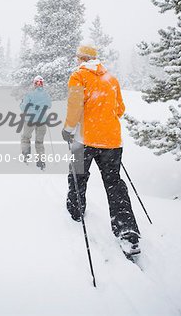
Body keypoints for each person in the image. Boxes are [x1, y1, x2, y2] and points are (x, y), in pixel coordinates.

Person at [62, 44, 141, 256]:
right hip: (112, 142)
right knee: (114, 183)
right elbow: (120, 109)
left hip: (84, 139)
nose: (77, 60)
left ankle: (76, 210)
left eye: (78, 57)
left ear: (81, 58)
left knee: (78, 175)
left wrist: (68, 128)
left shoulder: (78, 76)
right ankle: (127, 232)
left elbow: (75, 106)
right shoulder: (111, 79)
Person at [20, 76, 52, 169]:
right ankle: (40, 162)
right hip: (42, 121)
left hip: (30, 120)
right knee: (39, 141)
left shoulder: (29, 94)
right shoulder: (46, 95)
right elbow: (49, 105)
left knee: (25, 138)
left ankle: (26, 157)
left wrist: (23, 104)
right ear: (42, 84)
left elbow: (23, 107)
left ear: (34, 84)